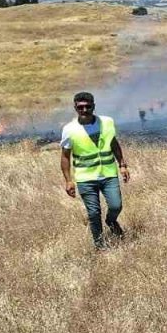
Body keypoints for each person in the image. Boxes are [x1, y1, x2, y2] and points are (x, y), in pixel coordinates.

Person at [60, 91, 131, 248]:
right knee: (93, 213)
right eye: (80, 107)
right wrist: (68, 181)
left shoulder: (107, 122)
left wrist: (122, 165)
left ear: (93, 106)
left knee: (116, 206)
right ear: (75, 108)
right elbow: (65, 156)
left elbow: (113, 144)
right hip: (85, 178)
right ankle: (100, 246)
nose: (84, 110)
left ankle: (111, 221)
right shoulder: (69, 129)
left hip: (108, 174)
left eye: (88, 106)